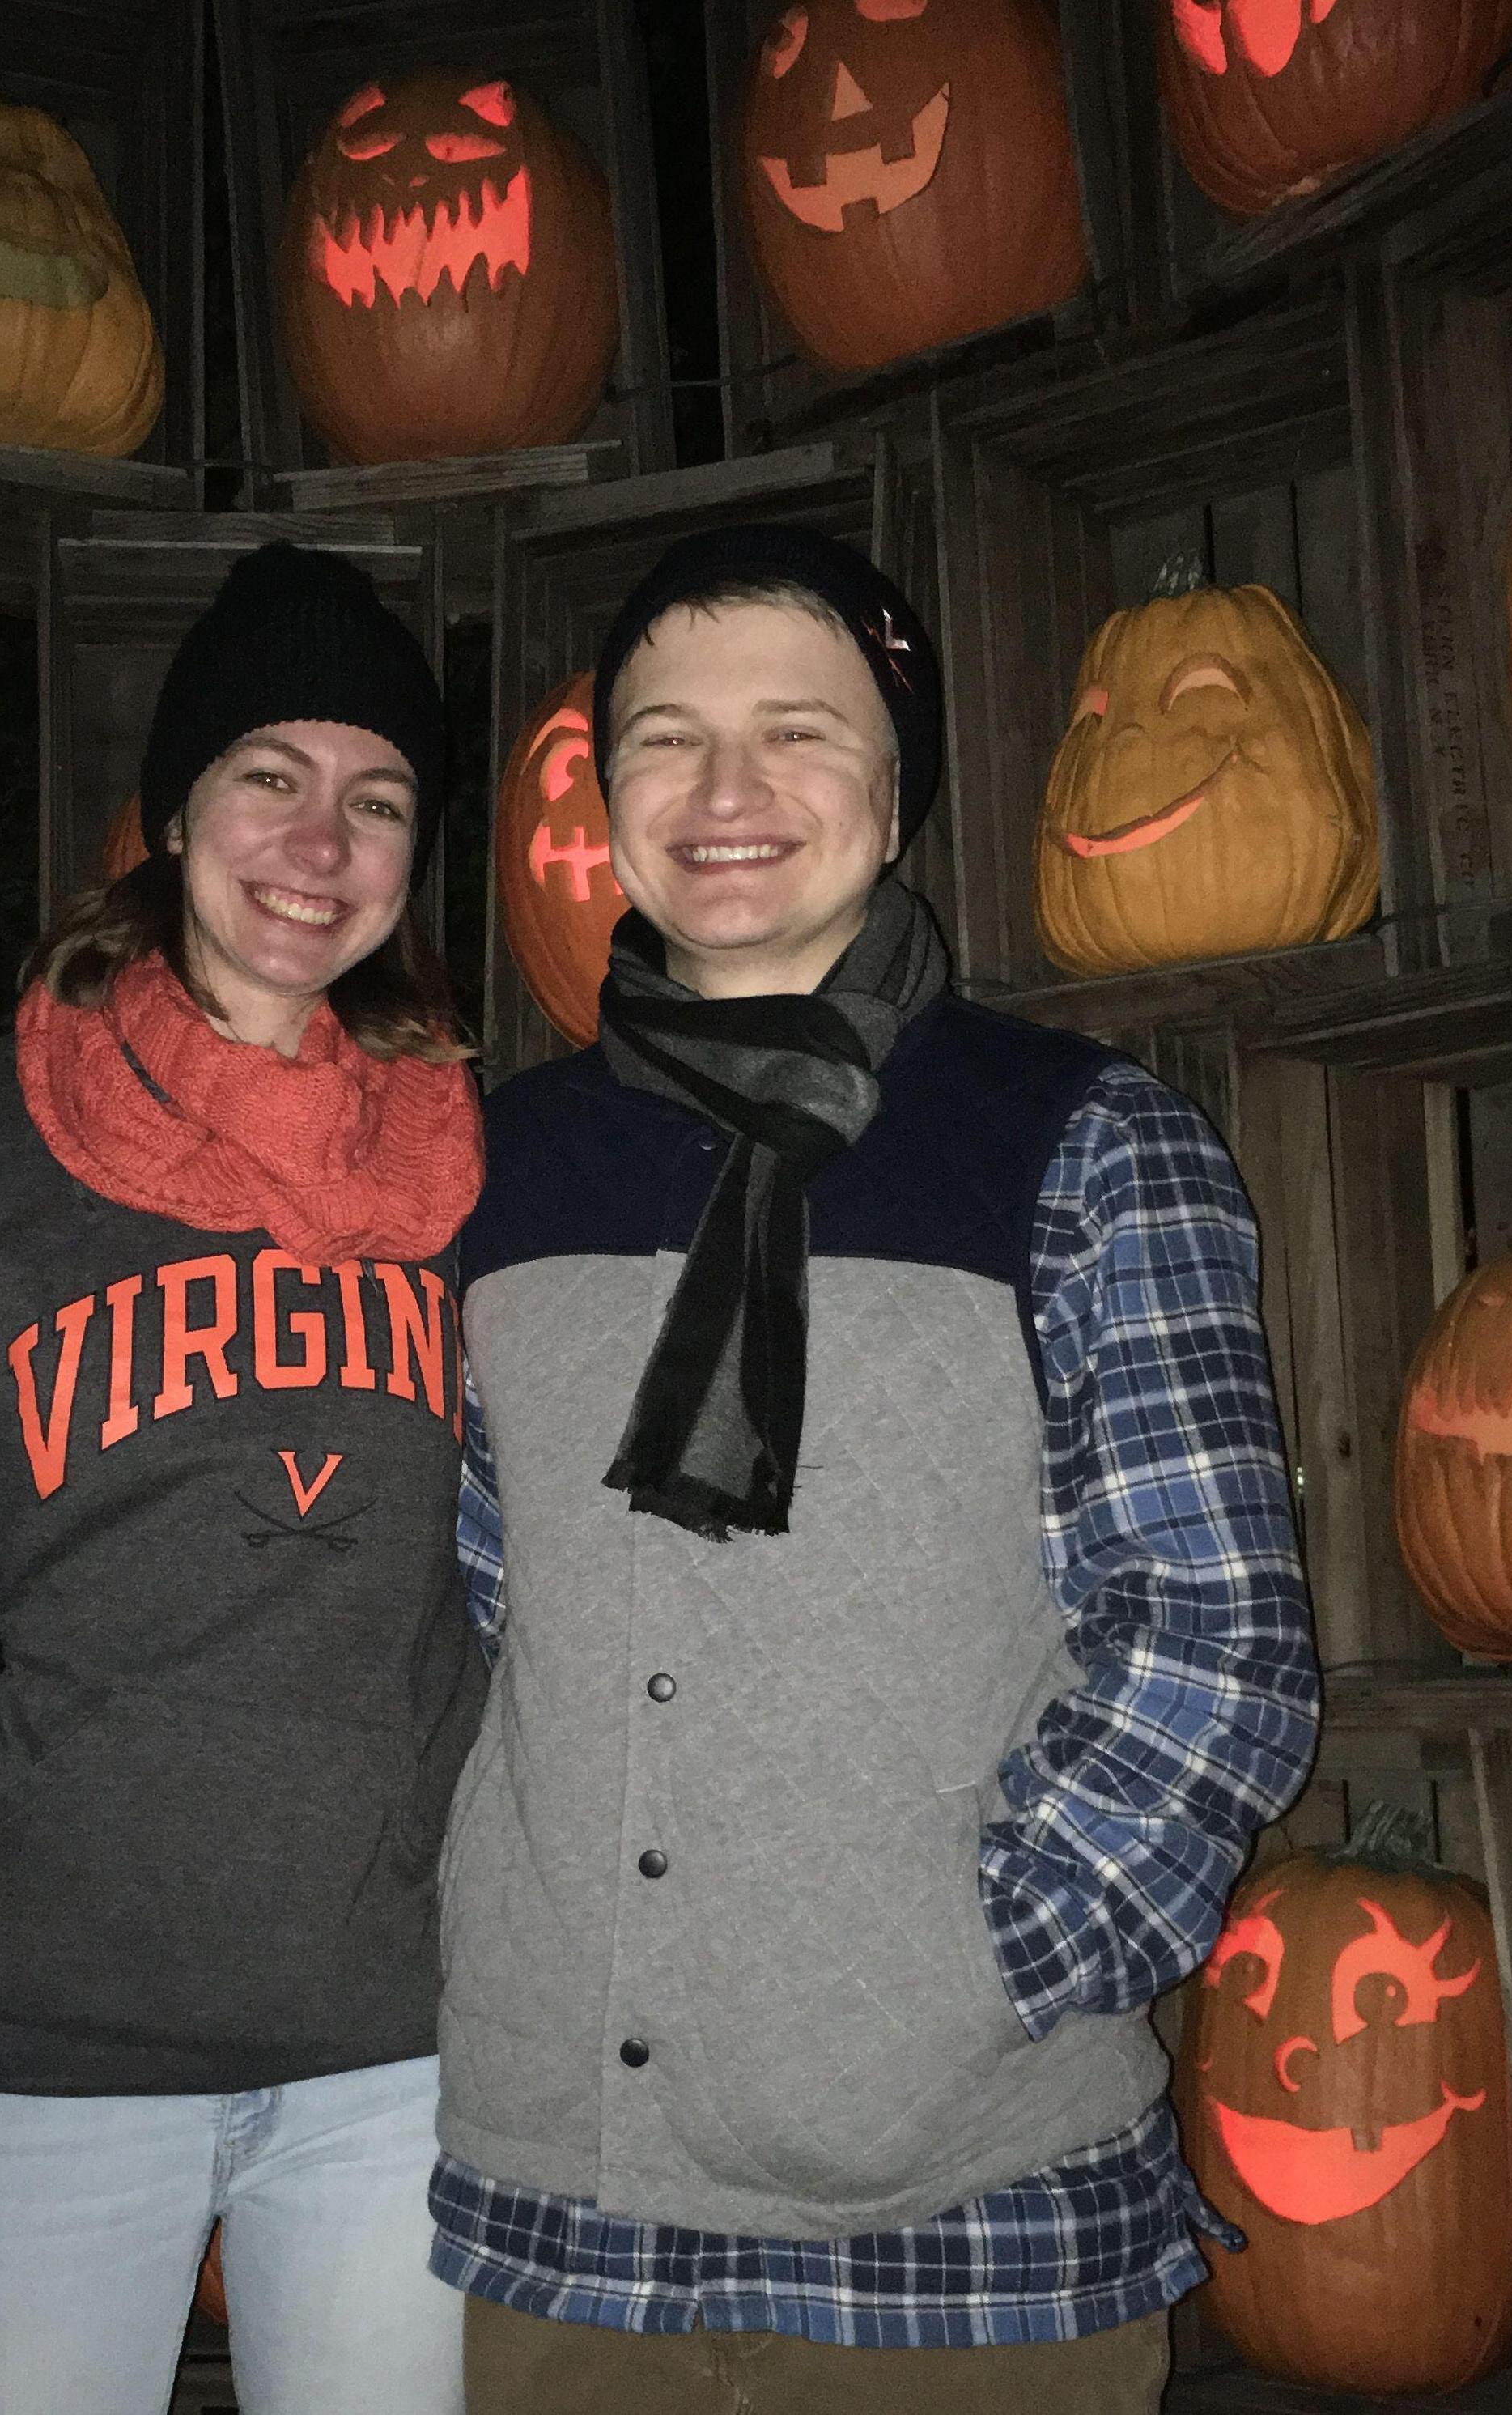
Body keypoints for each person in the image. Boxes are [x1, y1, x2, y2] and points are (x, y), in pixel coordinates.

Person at [434, 525, 1321, 2413]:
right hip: (561, 2209)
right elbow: (489, 1602)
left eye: (800, 732)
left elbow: (1214, 1641)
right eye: (665, 737)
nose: (728, 791)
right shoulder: (490, 1175)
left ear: (896, 793)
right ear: (606, 794)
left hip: (967, 2221)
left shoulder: (1082, 1147)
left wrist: (976, 1965)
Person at [0, 542, 487, 2415]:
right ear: (169, 810)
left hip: (389, 2048)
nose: (320, 838)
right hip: (38, 2042)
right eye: (270, 773)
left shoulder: (473, 1174)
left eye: (378, 796)